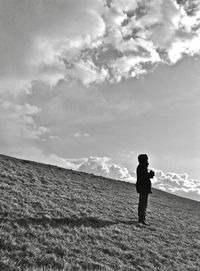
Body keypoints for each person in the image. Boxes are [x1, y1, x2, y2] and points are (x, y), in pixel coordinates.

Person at [136, 154, 154, 225]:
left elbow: (144, 176)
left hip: (142, 188)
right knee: (143, 204)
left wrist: (149, 175)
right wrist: (151, 174)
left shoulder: (141, 166)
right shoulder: (142, 167)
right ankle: (142, 219)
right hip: (143, 188)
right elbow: (145, 177)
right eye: (146, 159)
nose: (147, 160)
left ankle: (142, 219)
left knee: (142, 204)